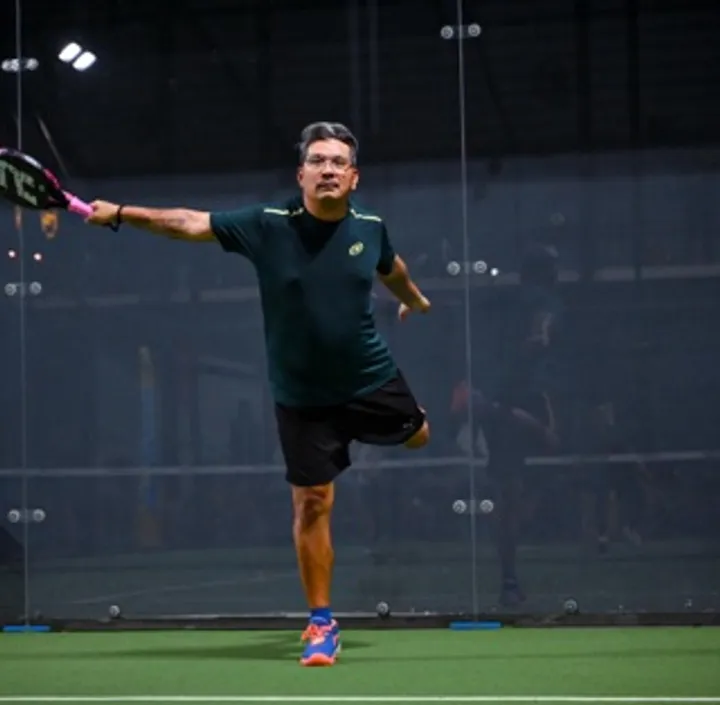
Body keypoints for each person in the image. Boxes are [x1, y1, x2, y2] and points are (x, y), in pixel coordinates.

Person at [86, 122, 431, 666]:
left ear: (354, 177)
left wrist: (413, 299)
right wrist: (123, 213)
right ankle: (322, 623)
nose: (327, 169)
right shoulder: (267, 224)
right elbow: (189, 223)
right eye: (317, 160)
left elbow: (392, 267)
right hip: (302, 396)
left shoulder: (370, 226)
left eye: (338, 162)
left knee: (420, 436)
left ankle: (401, 424)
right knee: (313, 501)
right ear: (301, 174)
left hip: (369, 378)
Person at [451, 243, 562, 606]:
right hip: (515, 400)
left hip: (512, 401)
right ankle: (509, 578)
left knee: (517, 489)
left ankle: (510, 575)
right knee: (512, 489)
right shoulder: (536, 303)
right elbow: (538, 336)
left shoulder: (508, 305)